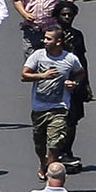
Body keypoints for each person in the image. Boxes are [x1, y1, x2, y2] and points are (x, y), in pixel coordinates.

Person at [23, 22, 82, 169]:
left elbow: (81, 73)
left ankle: (51, 170)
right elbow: (24, 75)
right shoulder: (38, 56)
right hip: (39, 108)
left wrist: (74, 82)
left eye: (49, 39)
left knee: (55, 142)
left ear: (58, 41)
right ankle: (43, 162)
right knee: (39, 143)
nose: (44, 41)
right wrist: (42, 75)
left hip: (59, 108)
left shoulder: (70, 59)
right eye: (45, 38)